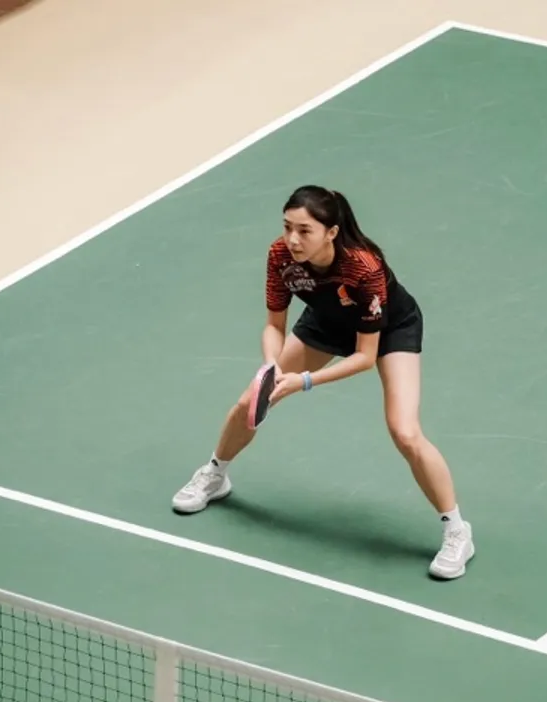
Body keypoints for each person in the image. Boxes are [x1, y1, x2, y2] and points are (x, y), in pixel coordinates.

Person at [172, 185, 474, 579]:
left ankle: (456, 530)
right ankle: (215, 474)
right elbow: (274, 324)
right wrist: (271, 367)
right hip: (327, 322)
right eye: (287, 227)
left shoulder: (363, 267)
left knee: (405, 432)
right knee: (251, 401)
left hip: (388, 331)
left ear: (331, 232)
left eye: (304, 230)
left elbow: (364, 356)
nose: (292, 239)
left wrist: (303, 380)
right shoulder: (280, 256)